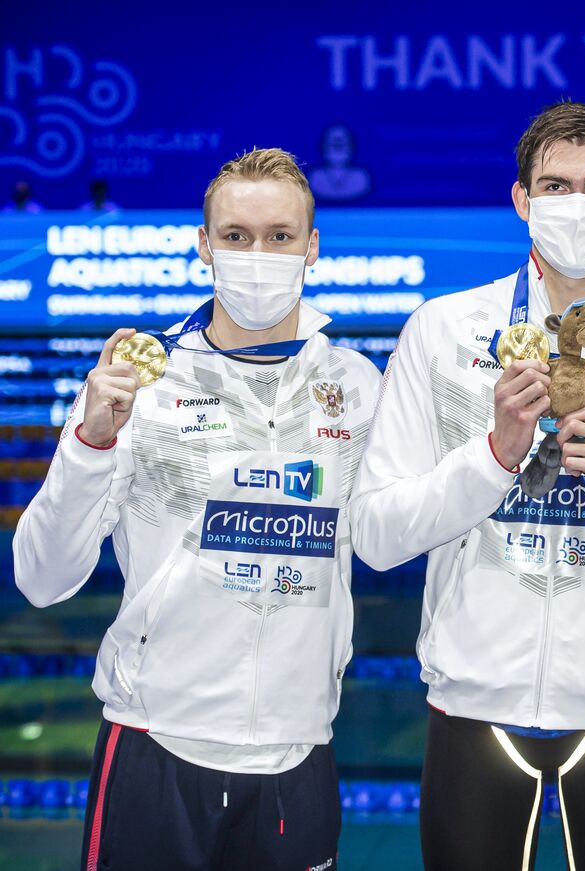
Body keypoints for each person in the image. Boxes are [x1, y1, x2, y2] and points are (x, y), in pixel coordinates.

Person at [350, 100, 585, 871]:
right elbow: (378, 535)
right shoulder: (442, 330)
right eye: (556, 186)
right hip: (475, 704)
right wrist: (492, 457)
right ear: (522, 200)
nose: (577, 206)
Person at [13, 148, 381, 871]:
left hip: (298, 747)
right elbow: (40, 579)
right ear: (204, 245)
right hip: (155, 741)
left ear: (312, 246)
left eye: (280, 236)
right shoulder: (137, 386)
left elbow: (395, 528)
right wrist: (90, 442)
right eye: (237, 236)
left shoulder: (357, 386)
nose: (258, 254)